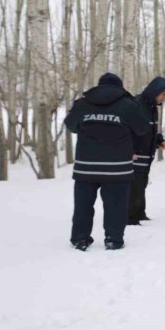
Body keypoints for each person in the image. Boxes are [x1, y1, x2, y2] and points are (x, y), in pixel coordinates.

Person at [64, 73, 149, 251]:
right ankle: (113, 239)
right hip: (117, 168)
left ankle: (80, 238)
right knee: (116, 206)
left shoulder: (82, 104)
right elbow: (142, 129)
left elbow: (71, 125)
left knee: (83, 206)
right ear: (119, 87)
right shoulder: (128, 105)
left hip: (86, 168)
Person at [128, 77, 165, 225]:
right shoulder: (136, 105)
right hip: (135, 154)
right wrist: (130, 150)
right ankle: (130, 217)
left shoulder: (152, 107)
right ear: (155, 92)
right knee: (135, 186)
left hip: (147, 153)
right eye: (164, 94)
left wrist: (159, 140)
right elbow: (128, 130)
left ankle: (140, 212)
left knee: (142, 184)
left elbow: (150, 129)